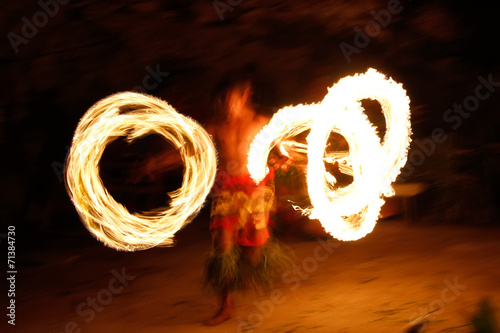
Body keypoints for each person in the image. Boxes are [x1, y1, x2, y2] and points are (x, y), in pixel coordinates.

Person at [203, 76, 292, 325]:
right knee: (222, 246)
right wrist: (157, 162)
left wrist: (284, 160)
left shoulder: (262, 123)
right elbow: (194, 151)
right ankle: (225, 305)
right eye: (219, 101)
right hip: (226, 191)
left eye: (227, 99)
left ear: (243, 96)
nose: (222, 106)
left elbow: (282, 152)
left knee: (252, 255)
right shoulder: (214, 126)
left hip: (256, 192)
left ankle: (245, 269)